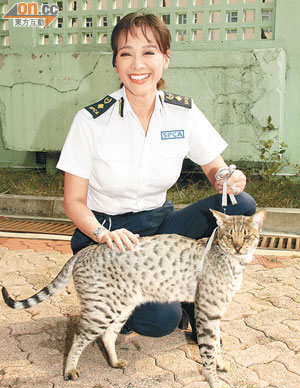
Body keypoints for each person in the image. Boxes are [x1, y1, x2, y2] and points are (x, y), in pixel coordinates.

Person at [56, 11, 256, 341]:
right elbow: (73, 201)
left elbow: (214, 169)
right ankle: (112, 299)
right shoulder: (90, 121)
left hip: (160, 226)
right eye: (126, 54)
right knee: (161, 320)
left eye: (149, 52)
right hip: (110, 235)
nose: (138, 65)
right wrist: (101, 234)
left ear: (165, 59)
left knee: (240, 204)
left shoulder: (182, 112)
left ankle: (198, 299)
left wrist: (227, 177)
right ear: (115, 64)